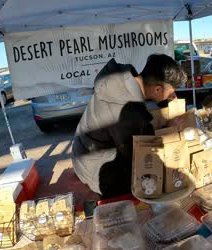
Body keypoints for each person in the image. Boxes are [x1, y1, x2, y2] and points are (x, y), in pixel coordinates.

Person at [72, 54, 187, 198]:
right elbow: (139, 153)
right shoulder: (128, 109)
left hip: (83, 155)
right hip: (97, 172)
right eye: (171, 92)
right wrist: (169, 130)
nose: (173, 97)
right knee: (158, 178)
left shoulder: (123, 80)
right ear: (158, 89)